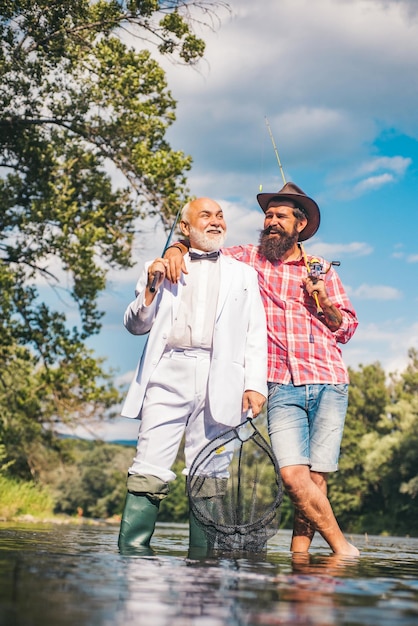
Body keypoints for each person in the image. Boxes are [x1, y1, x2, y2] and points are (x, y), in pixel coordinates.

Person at [164, 182, 360, 557]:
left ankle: (300, 558)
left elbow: (348, 327)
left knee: (315, 480)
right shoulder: (245, 259)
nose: (271, 222)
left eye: (280, 216)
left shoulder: (321, 269)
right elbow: (206, 244)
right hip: (280, 385)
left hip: (329, 380)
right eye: (268, 216)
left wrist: (322, 299)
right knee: (292, 476)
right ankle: (342, 549)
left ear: (299, 225)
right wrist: (176, 245)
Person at [118, 197, 268, 552]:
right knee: (149, 462)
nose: (216, 222)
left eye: (220, 216)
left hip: (223, 377)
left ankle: (203, 567)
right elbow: (135, 324)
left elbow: (254, 334)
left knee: (212, 470)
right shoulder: (156, 267)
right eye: (206, 215)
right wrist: (152, 286)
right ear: (185, 228)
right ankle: (133, 557)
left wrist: (255, 385)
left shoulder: (244, 274)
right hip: (168, 371)